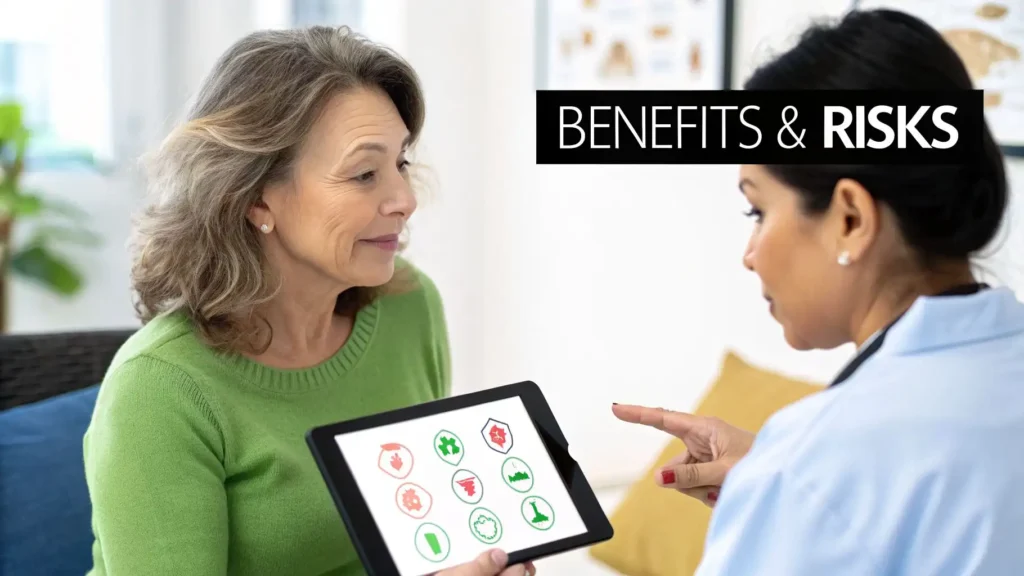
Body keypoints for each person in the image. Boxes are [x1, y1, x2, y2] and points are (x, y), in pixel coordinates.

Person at [82, 25, 533, 576]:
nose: (406, 200)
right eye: (365, 173)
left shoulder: (409, 307)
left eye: (402, 164)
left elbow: (419, 540)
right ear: (254, 197)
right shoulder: (160, 389)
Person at [614, 8, 1024, 575]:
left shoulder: (819, 463)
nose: (749, 253)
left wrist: (792, 487)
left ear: (851, 219)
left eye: (757, 209)